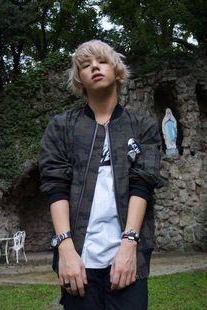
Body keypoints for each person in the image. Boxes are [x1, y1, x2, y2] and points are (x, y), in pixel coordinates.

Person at [39, 40, 161, 310]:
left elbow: (143, 185)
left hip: (128, 261)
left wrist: (129, 246)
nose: (94, 66)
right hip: (78, 262)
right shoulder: (61, 127)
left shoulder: (143, 126)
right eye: (85, 65)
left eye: (102, 61)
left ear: (117, 71)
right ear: (79, 80)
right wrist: (66, 250)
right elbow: (56, 186)